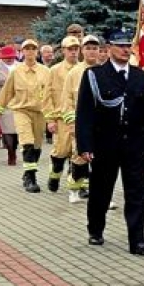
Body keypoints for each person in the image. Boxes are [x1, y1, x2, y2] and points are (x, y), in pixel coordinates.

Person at [75, 29, 144, 255]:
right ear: (108, 48)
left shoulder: (142, 76)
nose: (125, 50)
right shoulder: (95, 75)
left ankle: (137, 240)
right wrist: (85, 145)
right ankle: (96, 229)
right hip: (105, 143)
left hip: (134, 144)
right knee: (101, 189)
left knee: (137, 193)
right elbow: (85, 113)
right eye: (119, 46)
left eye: (127, 45)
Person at [0, 39, 51, 192]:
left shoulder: (45, 71)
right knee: (27, 142)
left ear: (37, 52)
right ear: (22, 52)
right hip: (21, 111)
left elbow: (52, 93)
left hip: (39, 113)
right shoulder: (16, 72)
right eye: (27, 49)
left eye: (33, 49)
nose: (30, 52)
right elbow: (7, 92)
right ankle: (32, 178)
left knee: (37, 146)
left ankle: (27, 173)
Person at [61, 34, 102, 202]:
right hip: (81, 124)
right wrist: (72, 123)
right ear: (82, 51)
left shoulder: (105, 70)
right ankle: (74, 188)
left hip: (101, 124)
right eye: (88, 48)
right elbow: (67, 100)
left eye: (95, 48)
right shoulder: (74, 73)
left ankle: (102, 193)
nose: (92, 52)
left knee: (102, 159)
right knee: (79, 157)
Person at [43, 36, 81, 192]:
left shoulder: (84, 69)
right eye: (70, 49)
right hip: (60, 119)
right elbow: (46, 96)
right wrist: (50, 119)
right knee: (61, 151)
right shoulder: (54, 70)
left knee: (78, 152)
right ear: (63, 51)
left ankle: (79, 185)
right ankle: (55, 173)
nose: (73, 52)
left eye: (76, 49)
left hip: (79, 119)